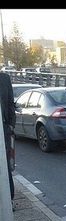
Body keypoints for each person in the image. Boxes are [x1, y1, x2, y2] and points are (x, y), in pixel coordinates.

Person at [0, 72, 16, 201]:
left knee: (4, 163)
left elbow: (11, 103)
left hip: (3, 128)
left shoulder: (4, 78)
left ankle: (8, 199)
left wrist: (11, 125)